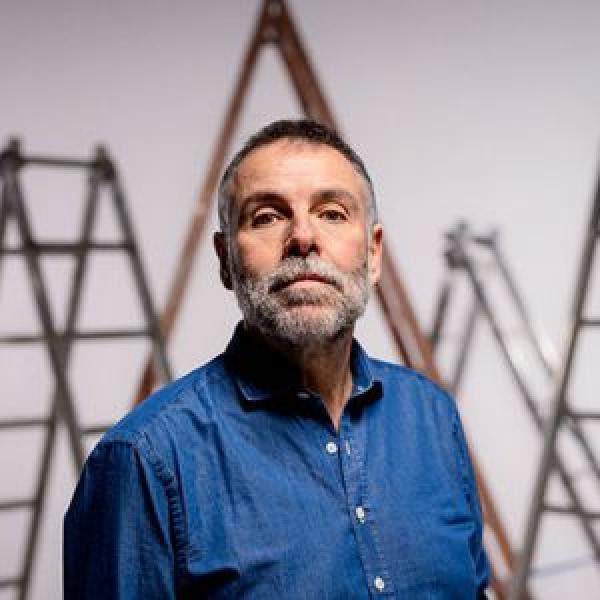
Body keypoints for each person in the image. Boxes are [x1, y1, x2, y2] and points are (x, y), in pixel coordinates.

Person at [64, 119, 490, 599]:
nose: (303, 237)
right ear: (226, 259)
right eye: (267, 217)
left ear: (373, 254)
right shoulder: (144, 461)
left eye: (332, 213)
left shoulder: (432, 416)